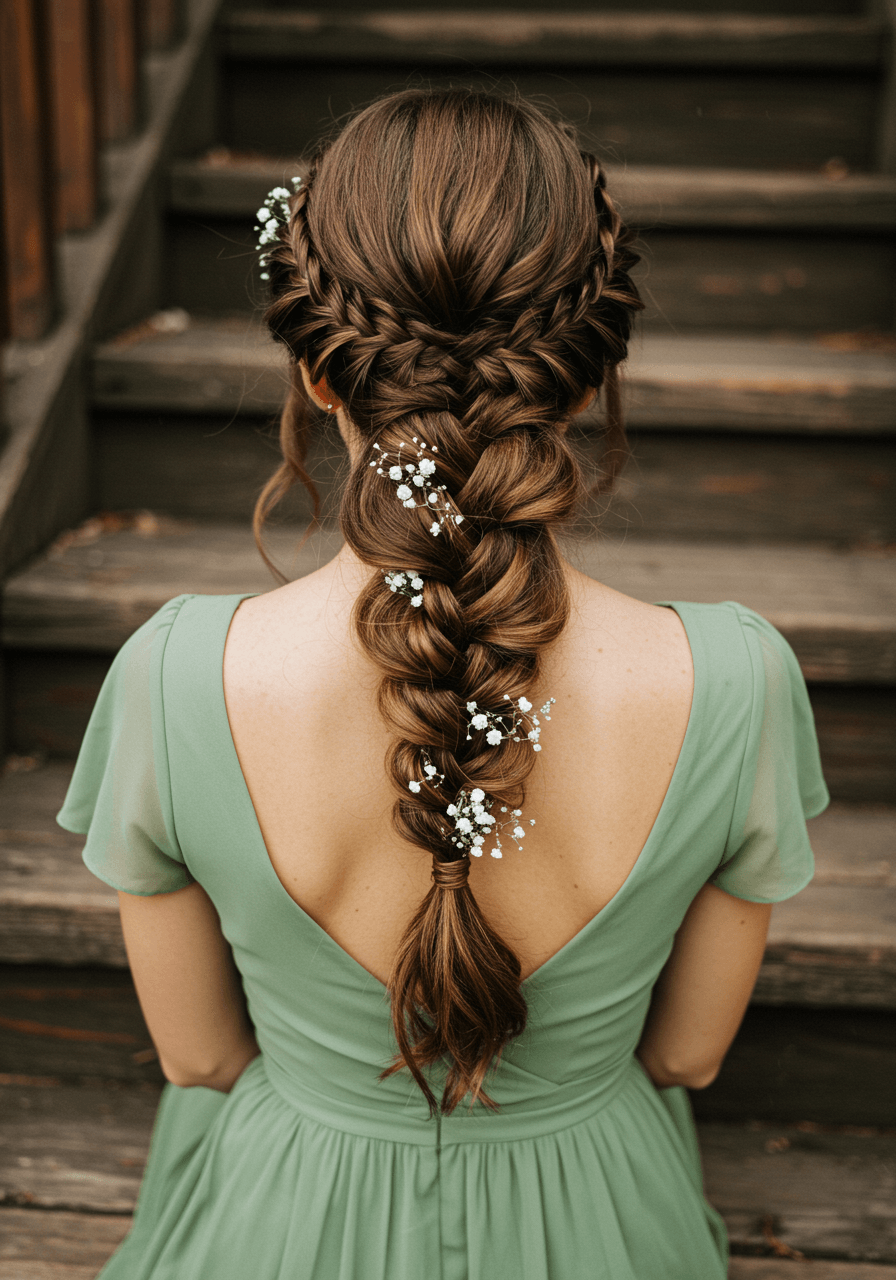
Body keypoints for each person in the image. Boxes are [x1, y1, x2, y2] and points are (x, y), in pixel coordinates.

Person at [57, 88, 829, 1279]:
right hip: (599, 1224)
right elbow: (684, 1061)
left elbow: (201, 1060)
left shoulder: (173, 679)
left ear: (319, 375)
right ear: (579, 379)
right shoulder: (736, 681)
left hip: (286, 1225)